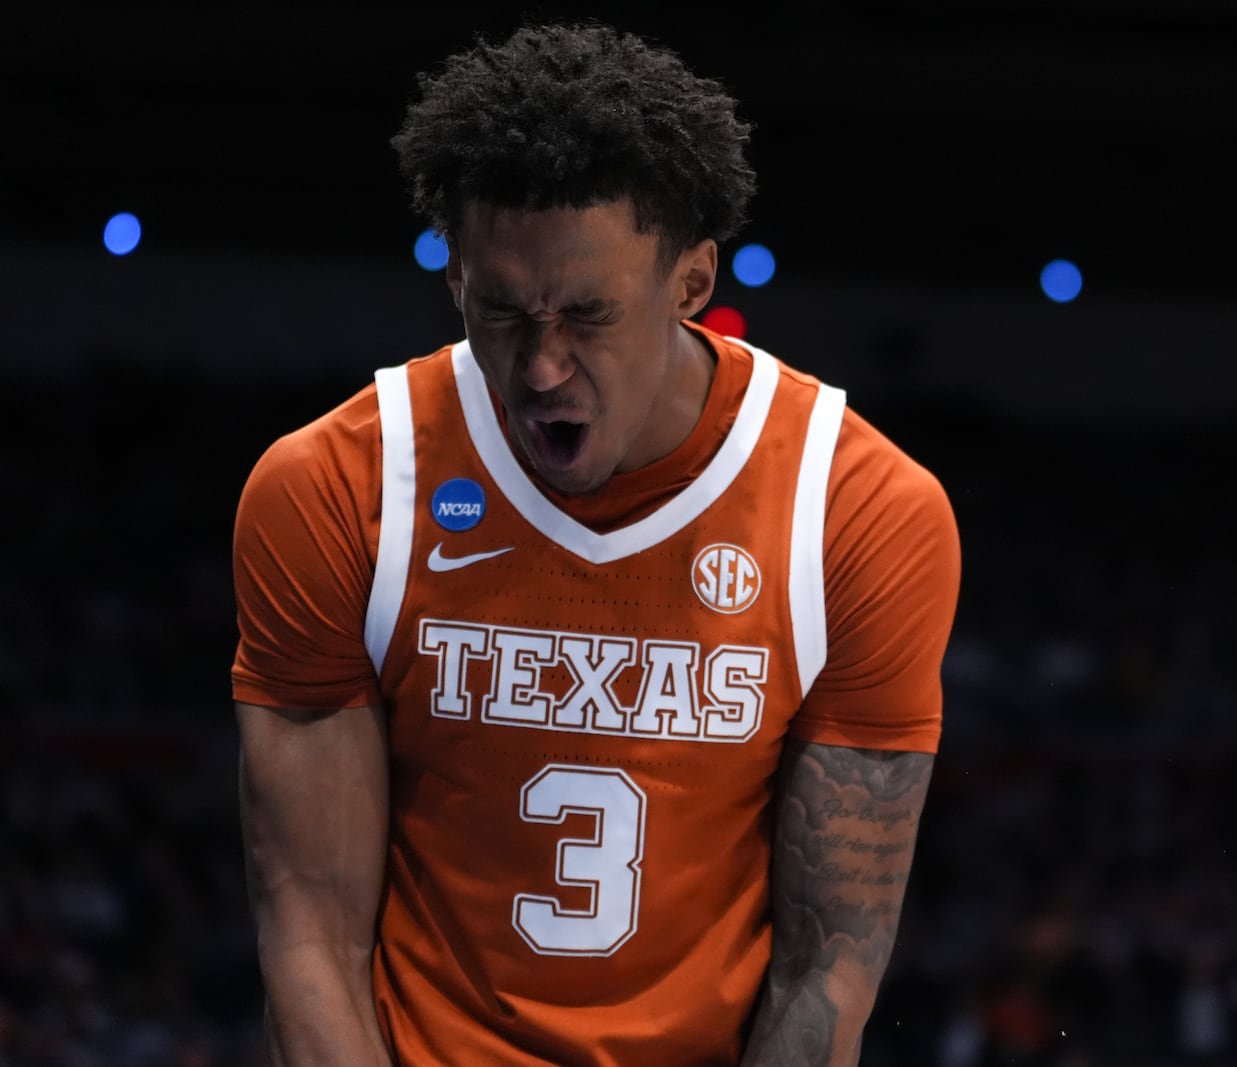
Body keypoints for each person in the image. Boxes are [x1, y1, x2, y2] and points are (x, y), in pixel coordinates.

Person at [231, 18, 961, 1067]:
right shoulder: (333, 485)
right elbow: (307, 928)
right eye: (505, 313)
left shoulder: (856, 509)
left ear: (691, 283)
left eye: (586, 313)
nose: (540, 366)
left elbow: (830, 966)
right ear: (455, 286)